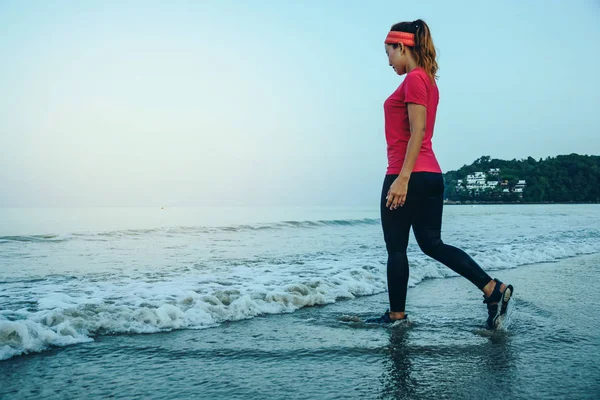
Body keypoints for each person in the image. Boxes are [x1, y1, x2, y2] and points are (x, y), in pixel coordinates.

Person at [365, 19, 513, 329]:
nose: (388, 60)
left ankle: (397, 317)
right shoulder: (427, 80)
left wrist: (401, 179)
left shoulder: (416, 80)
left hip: (409, 174)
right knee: (432, 243)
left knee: (397, 248)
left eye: (389, 52)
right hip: (429, 175)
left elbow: (418, 131)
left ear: (402, 46)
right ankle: (492, 289)